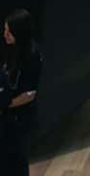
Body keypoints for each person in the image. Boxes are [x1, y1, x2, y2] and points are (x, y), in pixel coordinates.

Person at [0, 9, 42, 176]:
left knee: (15, 160)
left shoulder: (31, 57)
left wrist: (5, 105)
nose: (5, 35)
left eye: (9, 32)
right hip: (7, 116)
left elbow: (29, 94)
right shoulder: (11, 50)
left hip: (19, 119)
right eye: (5, 30)